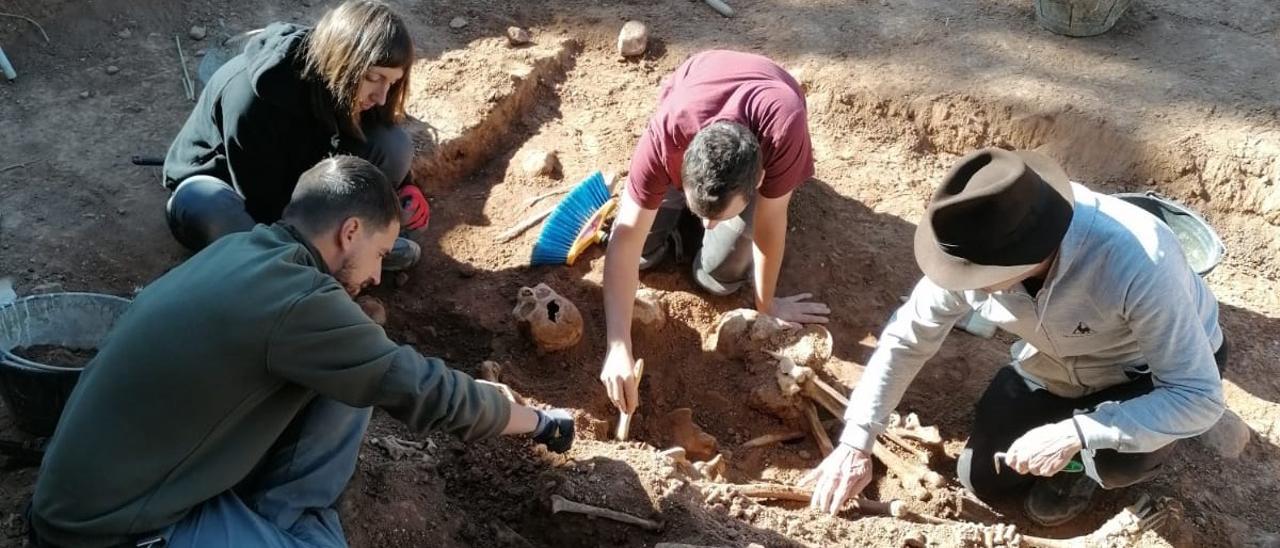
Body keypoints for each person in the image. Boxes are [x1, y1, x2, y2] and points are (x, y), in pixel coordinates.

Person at [30, 156, 574, 548]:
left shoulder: (249, 253)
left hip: (119, 478)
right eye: (380, 253)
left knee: (358, 371)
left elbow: (375, 371)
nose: (379, 274)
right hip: (107, 528)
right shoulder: (295, 302)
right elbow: (426, 392)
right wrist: (538, 421)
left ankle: (274, 518)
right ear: (350, 231)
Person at [805, 148, 1227, 526]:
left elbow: (1199, 396)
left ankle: (1084, 472)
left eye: (982, 278)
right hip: (1055, 362)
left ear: (1033, 253)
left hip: (1146, 373)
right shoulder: (974, 240)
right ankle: (1071, 435)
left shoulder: (1139, 261)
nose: (968, 286)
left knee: (1115, 462)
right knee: (983, 479)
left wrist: (1075, 433)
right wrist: (857, 440)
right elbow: (907, 338)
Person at [600, 50, 831, 415]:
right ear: (681, 166)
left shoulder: (783, 128)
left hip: (766, 118)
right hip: (697, 89)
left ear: (758, 181)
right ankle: (682, 213)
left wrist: (766, 304)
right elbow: (624, 239)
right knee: (642, 254)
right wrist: (617, 346)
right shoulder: (668, 131)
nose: (707, 224)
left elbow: (771, 220)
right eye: (700, 213)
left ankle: (705, 222)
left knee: (717, 275)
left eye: (716, 217)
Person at [161, 0, 430, 271]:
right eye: (374, 78)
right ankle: (292, 275)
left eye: (392, 82)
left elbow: (372, 139)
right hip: (227, 191)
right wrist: (326, 244)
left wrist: (405, 186)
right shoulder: (253, 100)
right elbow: (262, 205)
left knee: (392, 146)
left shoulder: (345, 85)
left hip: (295, 180)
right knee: (214, 211)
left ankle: (348, 250)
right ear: (344, 62)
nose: (382, 96)